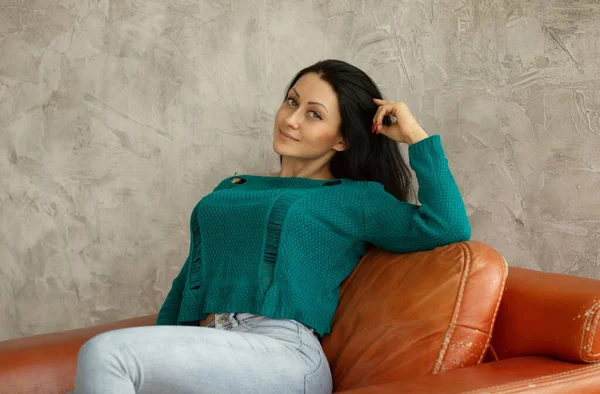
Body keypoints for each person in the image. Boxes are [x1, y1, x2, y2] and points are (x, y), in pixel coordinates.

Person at [71, 59, 471, 394]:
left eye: (314, 114)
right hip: (216, 344)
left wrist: (415, 136)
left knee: (106, 354)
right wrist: (159, 346)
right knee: (123, 363)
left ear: (342, 141)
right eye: (291, 102)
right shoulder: (232, 189)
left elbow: (446, 226)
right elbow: (188, 283)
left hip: (282, 353)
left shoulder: (352, 198)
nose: (292, 119)